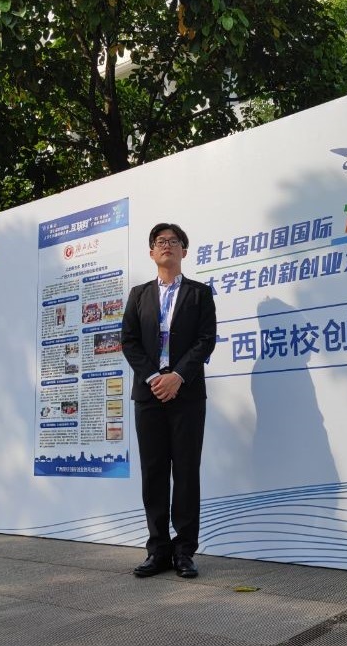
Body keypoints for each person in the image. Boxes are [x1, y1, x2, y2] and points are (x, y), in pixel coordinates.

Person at [121, 223, 217, 578]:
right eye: (160, 241)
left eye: (174, 241)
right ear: (151, 252)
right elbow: (129, 341)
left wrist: (178, 376)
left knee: (187, 472)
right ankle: (158, 550)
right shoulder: (138, 295)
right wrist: (153, 377)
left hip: (186, 394)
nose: (167, 246)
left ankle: (184, 551)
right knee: (154, 472)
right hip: (149, 395)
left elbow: (206, 339)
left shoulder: (199, 293)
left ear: (183, 251)